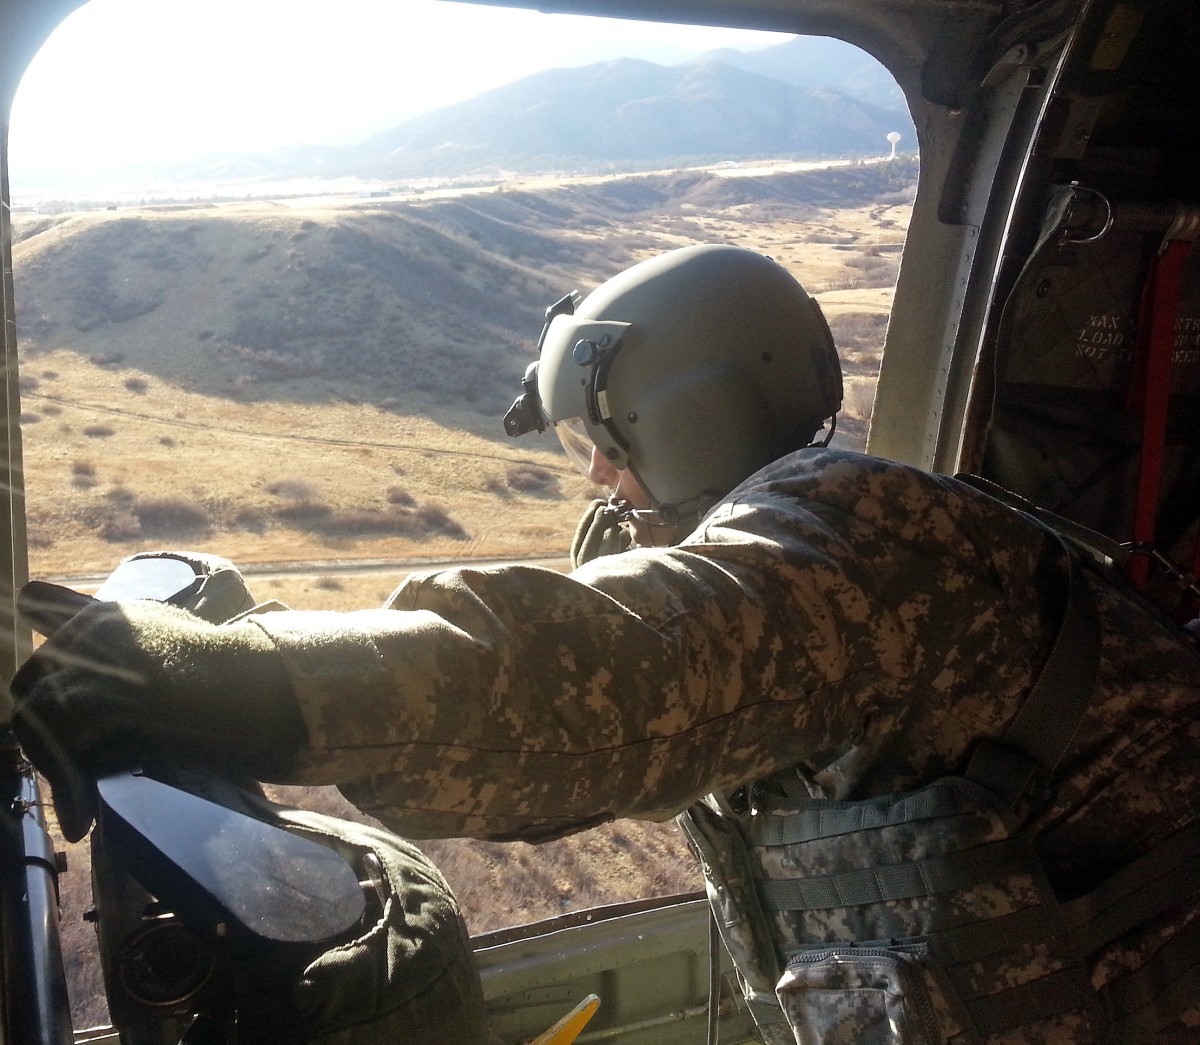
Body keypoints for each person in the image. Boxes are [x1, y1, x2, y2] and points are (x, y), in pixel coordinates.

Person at [9, 244, 1200, 1044]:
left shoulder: (846, 551)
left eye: (609, 439)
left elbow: (594, 677)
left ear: (695, 411)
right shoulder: (812, 543)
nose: (594, 476)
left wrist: (238, 679)